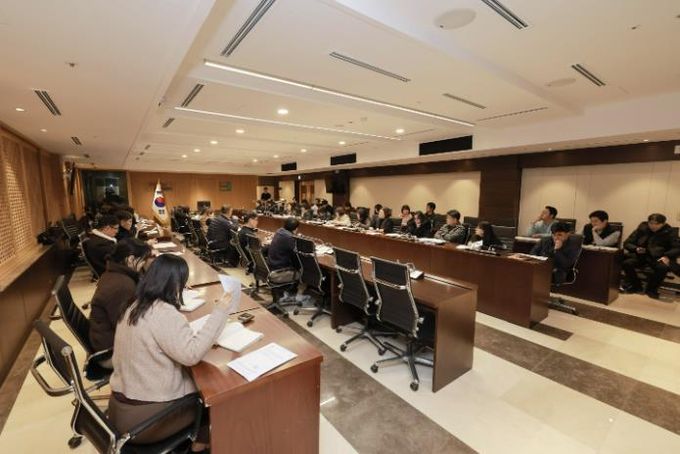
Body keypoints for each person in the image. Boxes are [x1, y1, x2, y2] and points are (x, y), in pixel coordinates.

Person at [109, 254, 231, 449]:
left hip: (120, 408)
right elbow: (191, 354)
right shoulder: (162, 312)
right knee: (213, 394)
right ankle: (200, 444)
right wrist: (220, 311)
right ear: (174, 284)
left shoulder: (133, 304)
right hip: (146, 421)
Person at [89, 239, 152, 353]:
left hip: (107, 336)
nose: (143, 264)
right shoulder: (123, 286)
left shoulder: (113, 272)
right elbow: (129, 325)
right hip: (111, 347)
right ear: (131, 259)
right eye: (143, 260)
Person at [621, 213, 680, 299]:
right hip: (641, 255)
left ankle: (651, 289)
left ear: (663, 224)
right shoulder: (642, 228)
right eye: (651, 223)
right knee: (627, 263)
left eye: (657, 224)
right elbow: (627, 243)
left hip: (658, 257)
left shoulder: (669, 232)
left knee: (662, 267)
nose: (653, 226)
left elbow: (677, 248)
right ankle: (636, 285)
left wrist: (666, 256)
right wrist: (636, 248)